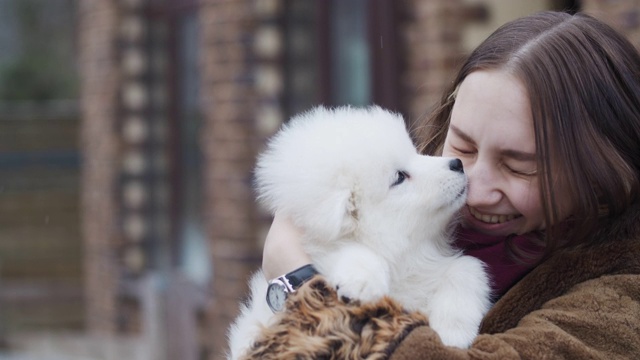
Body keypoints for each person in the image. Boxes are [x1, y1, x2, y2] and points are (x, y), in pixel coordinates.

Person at [254, 10, 640, 359]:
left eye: (519, 167)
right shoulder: (406, 209)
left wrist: (301, 286)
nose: (474, 185)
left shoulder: (621, 303)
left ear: (604, 176)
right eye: (464, 145)